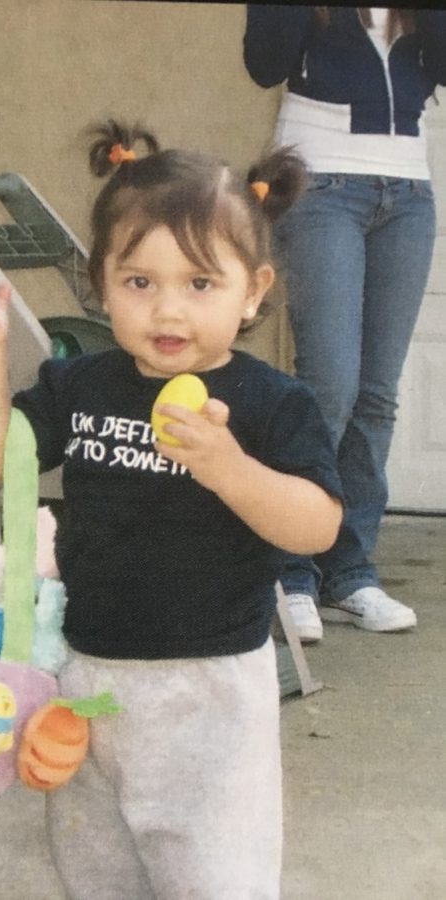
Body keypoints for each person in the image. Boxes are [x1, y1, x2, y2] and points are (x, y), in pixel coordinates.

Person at [0, 120, 344, 900]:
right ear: (100, 281)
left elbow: (315, 526)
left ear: (252, 290)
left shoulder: (270, 404)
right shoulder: (80, 386)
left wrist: (229, 470)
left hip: (211, 692)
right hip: (87, 678)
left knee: (213, 873)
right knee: (96, 870)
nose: (168, 311)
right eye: (139, 282)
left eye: (199, 285)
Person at [244, 6, 446, 642]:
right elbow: (263, 64)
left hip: (409, 190)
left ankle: (351, 570)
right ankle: (291, 570)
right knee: (328, 387)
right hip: (319, 182)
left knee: (377, 395)